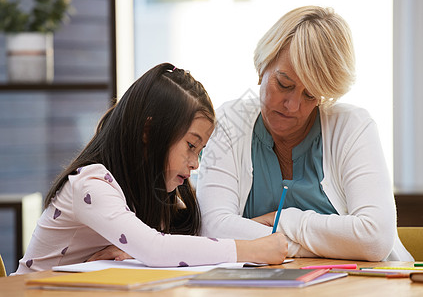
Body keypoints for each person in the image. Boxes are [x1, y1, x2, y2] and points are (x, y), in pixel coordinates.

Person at [12, 63, 287, 275]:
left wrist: (251, 227)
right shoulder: (91, 185)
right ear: (149, 131)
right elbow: (158, 249)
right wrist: (253, 248)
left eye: (200, 151)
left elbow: (189, 239)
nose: (196, 163)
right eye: (191, 146)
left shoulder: (153, 193)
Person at [196, 6, 413, 261]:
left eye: (310, 94)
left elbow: (374, 239)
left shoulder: (352, 125)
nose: (293, 105)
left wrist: (285, 221)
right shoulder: (231, 121)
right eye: (283, 84)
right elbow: (211, 231)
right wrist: (319, 245)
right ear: (262, 67)